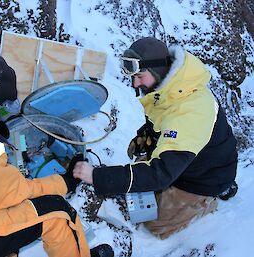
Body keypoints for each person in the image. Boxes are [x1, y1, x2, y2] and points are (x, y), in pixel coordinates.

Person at [73, 37, 238, 239]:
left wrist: (97, 177)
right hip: (192, 161)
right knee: (141, 178)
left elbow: (159, 174)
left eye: (140, 76)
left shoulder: (190, 111)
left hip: (205, 178)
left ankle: (207, 201)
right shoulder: (171, 88)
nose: (135, 83)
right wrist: (147, 134)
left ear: (158, 71)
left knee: (153, 223)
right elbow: (163, 119)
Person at [0, 52, 113, 257]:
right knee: (56, 213)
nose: (2, 117)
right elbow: (16, 194)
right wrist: (65, 182)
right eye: (2, 110)